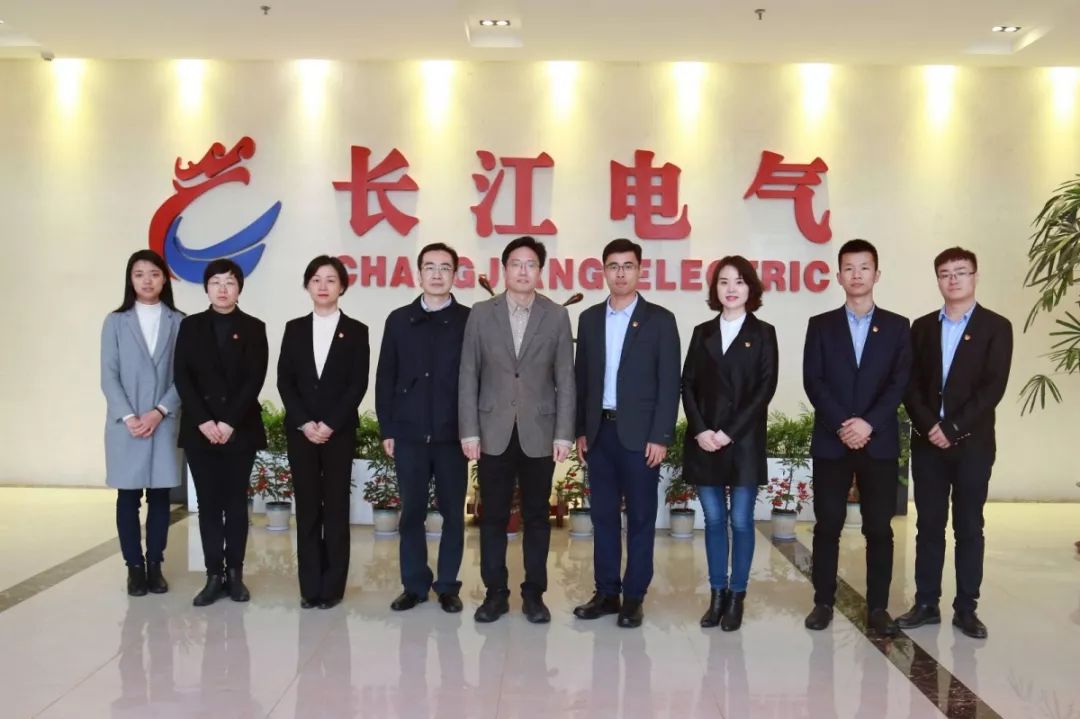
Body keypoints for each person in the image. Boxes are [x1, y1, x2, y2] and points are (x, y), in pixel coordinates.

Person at [459, 236, 575, 624]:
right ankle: (495, 593)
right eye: (516, 264)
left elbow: (565, 379)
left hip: (539, 431)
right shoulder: (481, 313)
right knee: (492, 515)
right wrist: (469, 431)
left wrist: (563, 433)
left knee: (537, 516)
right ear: (504, 269)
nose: (523, 271)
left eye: (531, 264)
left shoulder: (556, 315)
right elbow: (469, 374)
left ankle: (534, 594)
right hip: (492, 429)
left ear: (540, 271)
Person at [899, 247, 1013, 639]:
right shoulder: (921, 328)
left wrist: (953, 427)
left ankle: (966, 608)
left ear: (975, 276)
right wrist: (931, 425)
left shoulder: (996, 327)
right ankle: (926, 603)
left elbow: (993, 387)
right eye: (945, 273)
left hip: (972, 445)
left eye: (961, 272)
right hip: (928, 443)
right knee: (929, 525)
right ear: (938, 280)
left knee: (969, 526)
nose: (953, 280)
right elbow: (910, 384)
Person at [802, 239, 911, 636]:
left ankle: (878, 607)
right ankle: (823, 602)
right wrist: (842, 424)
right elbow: (813, 380)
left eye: (864, 267)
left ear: (876, 274)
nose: (857, 275)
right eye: (849, 268)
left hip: (877, 442)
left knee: (878, 528)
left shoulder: (898, 326)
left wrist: (868, 424)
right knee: (827, 525)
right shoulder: (821, 325)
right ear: (838, 276)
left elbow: (899, 382)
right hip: (832, 442)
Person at [571, 238, 680, 628]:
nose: (620, 273)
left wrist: (661, 436)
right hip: (599, 434)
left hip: (641, 438)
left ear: (639, 270)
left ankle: (634, 597)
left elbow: (669, 382)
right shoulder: (588, 319)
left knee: (640, 518)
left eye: (628, 266)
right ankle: (606, 593)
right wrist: (581, 431)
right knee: (602, 517)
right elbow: (582, 379)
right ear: (603, 271)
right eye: (613, 266)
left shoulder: (660, 320)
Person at [681, 256, 778, 631]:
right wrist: (701, 430)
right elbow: (687, 384)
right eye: (723, 282)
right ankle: (717, 594)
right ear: (715, 289)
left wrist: (728, 432)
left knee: (740, 520)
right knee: (714, 520)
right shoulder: (702, 332)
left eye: (739, 281)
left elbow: (764, 390)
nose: (731, 288)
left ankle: (737, 596)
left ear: (751, 287)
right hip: (704, 441)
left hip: (743, 442)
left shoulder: (763, 332)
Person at [376, 243, 471, 614]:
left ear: (455, 275)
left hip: (453, 435)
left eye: (445, 268)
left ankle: (447, 586)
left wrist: (472, 431)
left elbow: (478, 379)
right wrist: (388, 428)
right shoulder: (399, 319)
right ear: (418, 274)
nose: (436, 274)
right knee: (412, 513)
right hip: (410, 433)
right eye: (429, 267)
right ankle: (414, 585)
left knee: (453, 515)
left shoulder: (469, 320)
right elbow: (385, 377)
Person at [174, 258, 268, 606]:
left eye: (230, 282)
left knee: (236, 503)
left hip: (239, 429)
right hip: (200, 429)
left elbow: (254, 379)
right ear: (206, 288)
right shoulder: (190, 326)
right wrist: (204, 421)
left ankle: (235, 575)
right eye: (216, 282)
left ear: (239, 288)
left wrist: (228, 422)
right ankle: (213, 575)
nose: (223, 289)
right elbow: (182, 376)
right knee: (209, 504)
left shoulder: (254, 327)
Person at [277, 255, 369, 610]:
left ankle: (332, 587)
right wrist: (304, 422)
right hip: (301, 432)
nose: (323, 286)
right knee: (307, 509)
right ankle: (309, 586)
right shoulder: (294, 328)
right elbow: (285, 381)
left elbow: (357, 384)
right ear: (307, 286)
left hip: (338, 432)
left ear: (342, 286)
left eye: (331, 280)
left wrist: (330, 423)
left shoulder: (357, 330)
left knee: (335, 508)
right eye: (316, 279)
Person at [100, 249, 185, 596]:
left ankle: (155, 565)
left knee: (161, 497)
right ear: (130, 280)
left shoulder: (179, 321)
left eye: (154, 273)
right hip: (127, 425)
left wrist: (159, 411)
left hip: (163, 422)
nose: (147, 280)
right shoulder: (115, 321)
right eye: (139, 274)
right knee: (128, 498)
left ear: (164, 279)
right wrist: (130, 416)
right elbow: (108, 375)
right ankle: (134, 568)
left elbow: (184, 376)